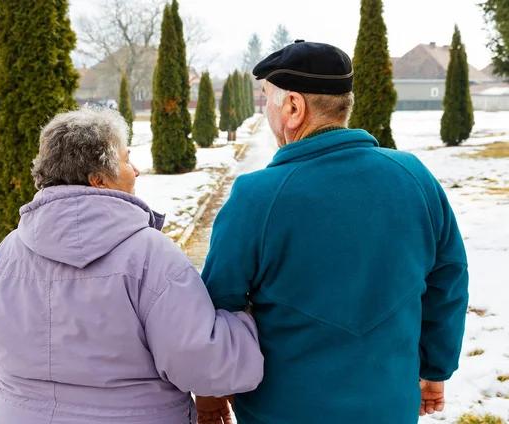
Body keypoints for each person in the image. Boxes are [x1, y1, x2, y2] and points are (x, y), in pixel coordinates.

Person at [197, 40, 469, 423]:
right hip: (390, 405)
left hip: (284, 410)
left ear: (293, 107)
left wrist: (210, 392)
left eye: (267, 100)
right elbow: (449, 280)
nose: (267, 113)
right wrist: (435, 367)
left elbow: (214, 308)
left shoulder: (256, 197)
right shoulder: (415, 178)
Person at [0, 106, 263, 424]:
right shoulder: (152, 257)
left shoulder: (6, 255)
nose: (136, 170)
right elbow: (205, 367)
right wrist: (246, 323)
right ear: (98, 180)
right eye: (126, 159)